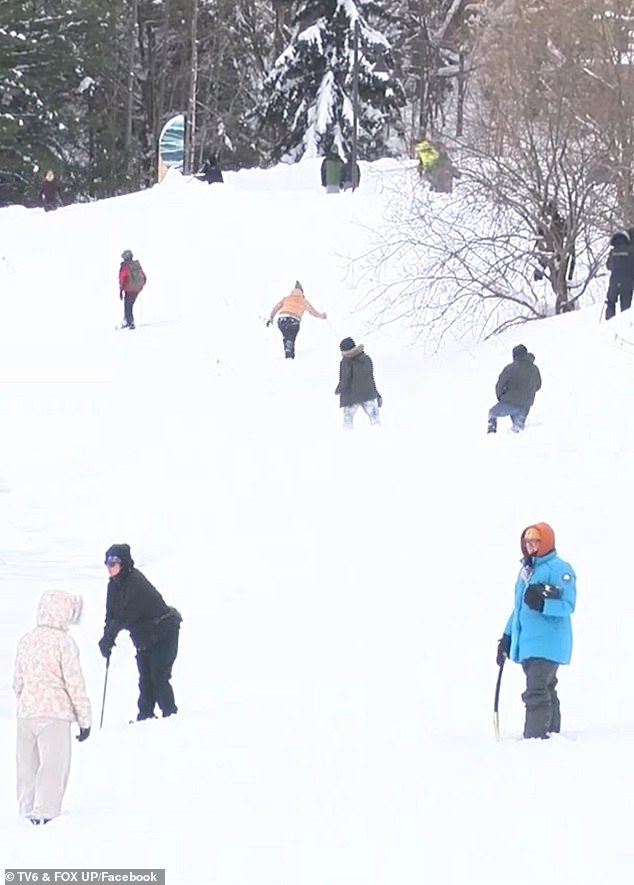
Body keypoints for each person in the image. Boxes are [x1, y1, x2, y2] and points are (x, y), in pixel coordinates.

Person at [13, 590, 92, 825]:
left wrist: (27, 701)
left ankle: (26, 809)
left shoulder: (26, 640)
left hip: (26, 714)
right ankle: (45, 813)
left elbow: (17, 681)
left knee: (27, 765)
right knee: (52, 766)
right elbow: (74, 683)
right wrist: (84, 720)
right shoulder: (64, 643)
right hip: (54, 715)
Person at [496, 523, 576, 739]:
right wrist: (507, 637)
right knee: (546, 688)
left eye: (536, 541)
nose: (530, 546)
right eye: (527, 542)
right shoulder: (527, 571)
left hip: (547, 644)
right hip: (529, 645)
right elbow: (519, 609)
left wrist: (543, 604)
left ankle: (536, 738)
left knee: (536, 691)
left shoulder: (559, 569)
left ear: (547, 542)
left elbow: (568, 605)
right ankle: (550, 734)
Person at [98, 544, 182, 721]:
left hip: (164, 632)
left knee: (158, 675)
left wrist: (111, 634)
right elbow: (111, 616)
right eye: (107, 564)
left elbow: (127, 615)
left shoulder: (136, 582)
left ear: (123, 564)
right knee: (145, 678)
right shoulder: (113, 585)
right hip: (145, 637)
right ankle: (145, 717)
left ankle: (171, 717)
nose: (109, 568)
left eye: (113, 564)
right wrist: (106, 638)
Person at [487, 344, 542, 434]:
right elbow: (538, 385)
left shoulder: (510, 368)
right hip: (526, 404)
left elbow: (500, 384)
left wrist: (501, 397)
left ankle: (491, 436)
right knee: (517, 431)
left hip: (509, 402)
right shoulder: (534, 369)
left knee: (492, 413)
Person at [266, 281, 327, 359]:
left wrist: (271, 317)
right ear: (302, 292)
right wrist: (322, 316)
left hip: (282, 320)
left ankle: (288, 353)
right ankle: (289, 357)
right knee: (290, 339)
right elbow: (312, 312)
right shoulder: (303, 301)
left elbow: (276, 307)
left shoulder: (286, 298)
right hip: (293, 321)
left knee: (286, 337)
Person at [335, 337, 382, 430]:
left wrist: (339, 389)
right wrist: (376, 394)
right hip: (368, 393)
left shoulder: (346, 361)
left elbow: (345, 378)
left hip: (351, 395)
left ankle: (347, 434)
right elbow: (370, 377)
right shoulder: (366, 358)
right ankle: (379, 434)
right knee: (375, 420)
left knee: (348, 420)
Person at [604, 230, 634, 320]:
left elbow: (608, 266)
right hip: (628, 283)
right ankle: (623, 324)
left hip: (614, 282)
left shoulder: (613, 252)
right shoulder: (631, 251)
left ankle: (608, 323)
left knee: (611, 303)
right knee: (625, 308)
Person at [118, 249, 147, 330]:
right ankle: (127, 321)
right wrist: (140, 287)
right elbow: (144, 277)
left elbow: (123, 278)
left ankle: (130, 323)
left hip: (129, 290)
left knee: (127, 306)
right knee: (129, 305)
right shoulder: (136, 265)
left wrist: (121, 289)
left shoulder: (125, 266)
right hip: (136, 290)